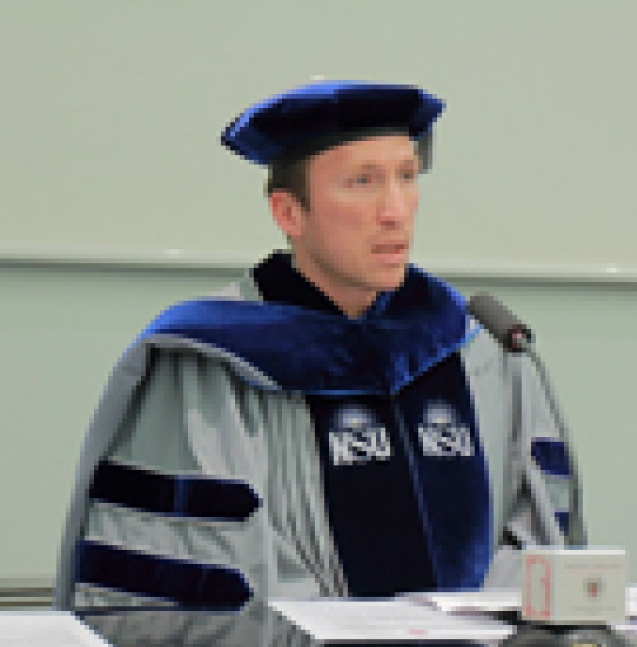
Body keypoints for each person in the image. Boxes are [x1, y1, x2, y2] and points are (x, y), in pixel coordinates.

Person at [54, 80, 584, 609]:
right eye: (362, 182)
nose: (396, 210)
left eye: (406, 176)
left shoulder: (476, 347)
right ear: (289, 213)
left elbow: (536, 534)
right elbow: (208, 570)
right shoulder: (212, 363)